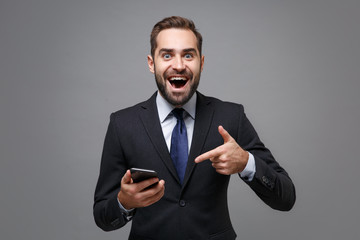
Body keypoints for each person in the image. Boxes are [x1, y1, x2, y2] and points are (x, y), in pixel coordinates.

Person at [93, 16, 296, 240]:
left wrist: (246, 162)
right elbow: (102, 216)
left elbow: (286, 198)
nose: (179, 65)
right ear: (152, 63)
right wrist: (124, 202)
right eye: (167, 55)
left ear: (201, 62)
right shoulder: (123, 124)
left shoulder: (230, 116)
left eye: (188, 55)